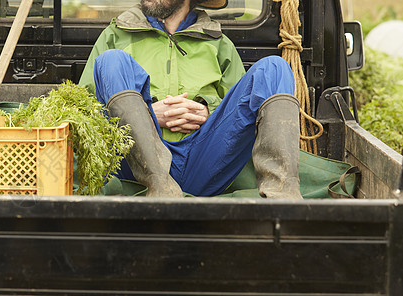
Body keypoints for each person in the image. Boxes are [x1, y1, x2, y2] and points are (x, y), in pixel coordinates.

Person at [79, 0, 302, 198]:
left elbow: (239, 115)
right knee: (112, 60)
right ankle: (160, 190)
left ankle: (282, 198)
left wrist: (208, 111)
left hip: (203, 162)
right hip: (135, 168)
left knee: (275, 67)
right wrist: (144, 114)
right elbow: (83, 113)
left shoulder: (219, 43)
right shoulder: (114, 35)